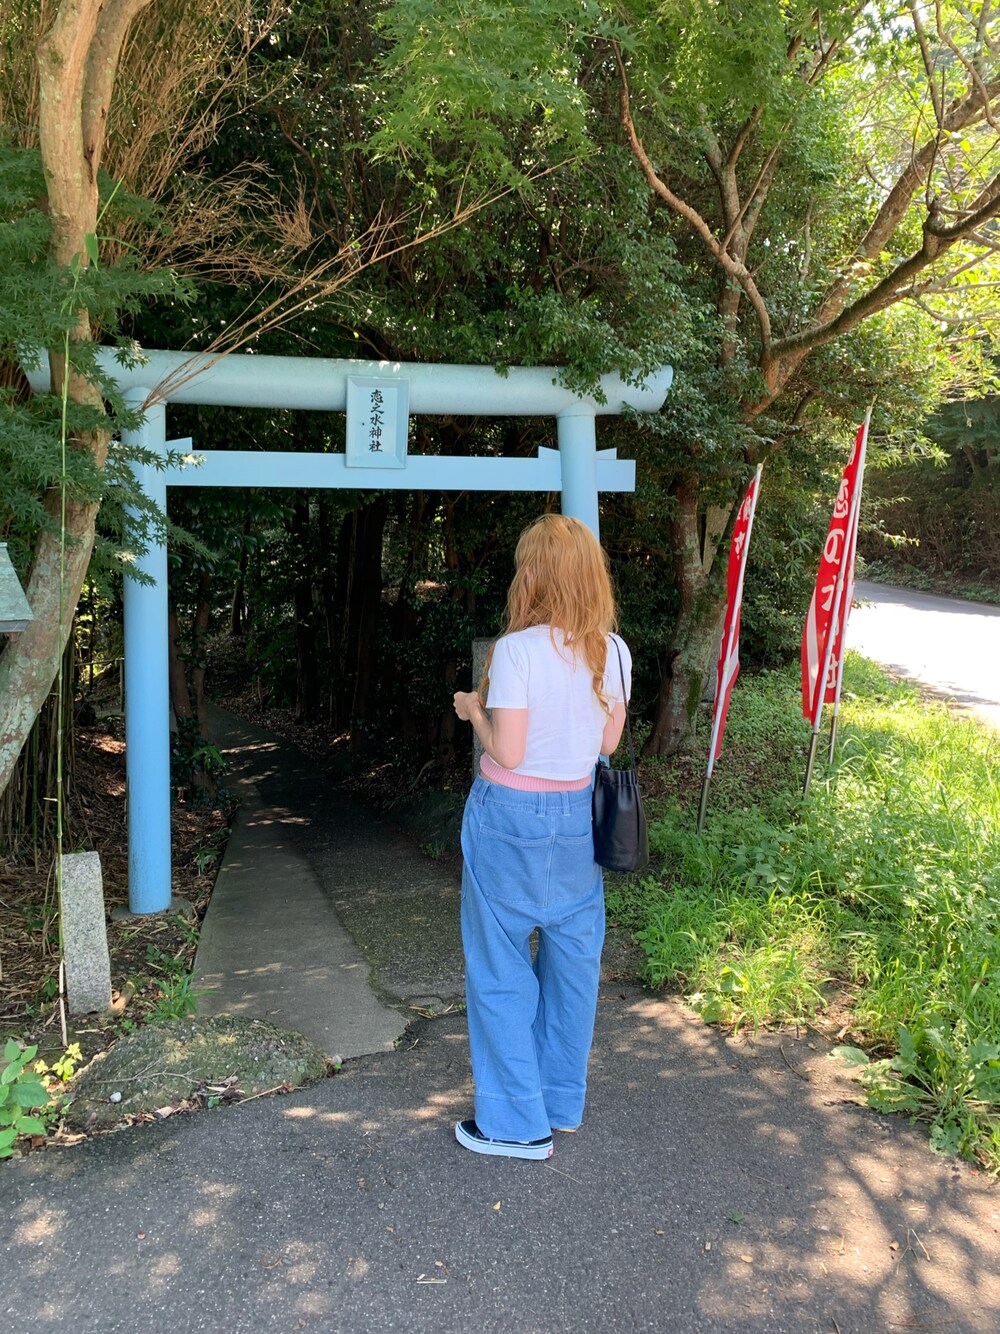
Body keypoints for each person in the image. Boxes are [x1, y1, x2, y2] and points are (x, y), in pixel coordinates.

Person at [452, 512, 631, 1160]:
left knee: (500, 965)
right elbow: (608, 743)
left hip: (510, 817)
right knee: (573, 965)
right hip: (579, 817)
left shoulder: (517, 651)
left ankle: (514, 1125)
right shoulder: (612, 651)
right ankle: (557, 1104)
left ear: (535, 575)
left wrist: (474, 712)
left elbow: (510, 750)